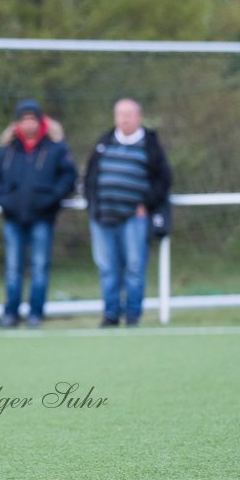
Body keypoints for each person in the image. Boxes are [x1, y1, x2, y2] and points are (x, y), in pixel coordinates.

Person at [0, 99, 77, 328]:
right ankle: (11, 314)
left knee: (39, 267)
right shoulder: (7, 149)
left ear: (40, 121)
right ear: (17, 122)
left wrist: (51, 200)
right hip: (13, 218)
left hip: (42, 218)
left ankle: (36, 314)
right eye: (24, 119)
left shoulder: (56, 148)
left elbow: (68, 178)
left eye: (32, 119)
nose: (28, 124)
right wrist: (4, 201)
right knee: (13, 268)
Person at [84, 98, 173, 326]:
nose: (124, 119)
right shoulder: (104, 141)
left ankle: (133, 316)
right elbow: (90, 176)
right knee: (107, 267)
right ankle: (110, 314)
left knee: (134, 266)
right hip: (103, 216)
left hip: (134, 217)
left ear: (138, 116)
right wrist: (92, 203)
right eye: (120, 114)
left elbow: (164, 180)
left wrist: (147, 203)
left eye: (128, 114)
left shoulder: (150, 144)